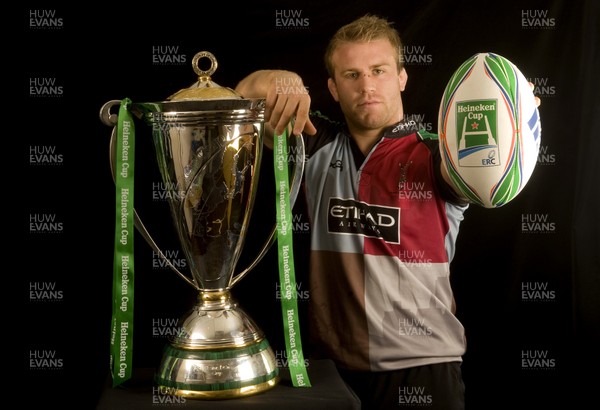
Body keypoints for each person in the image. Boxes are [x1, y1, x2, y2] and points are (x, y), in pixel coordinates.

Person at [236, 14, 515, 410]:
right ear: (332, 88)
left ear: (401, 77)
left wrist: (514, 110)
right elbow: (240, 96)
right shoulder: (313, 145)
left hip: (424, 369)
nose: (366, 86)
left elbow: (488, 163)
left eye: (378, 71)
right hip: (329, 372)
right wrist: (282, 80)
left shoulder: (438, 154)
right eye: (351, 75)